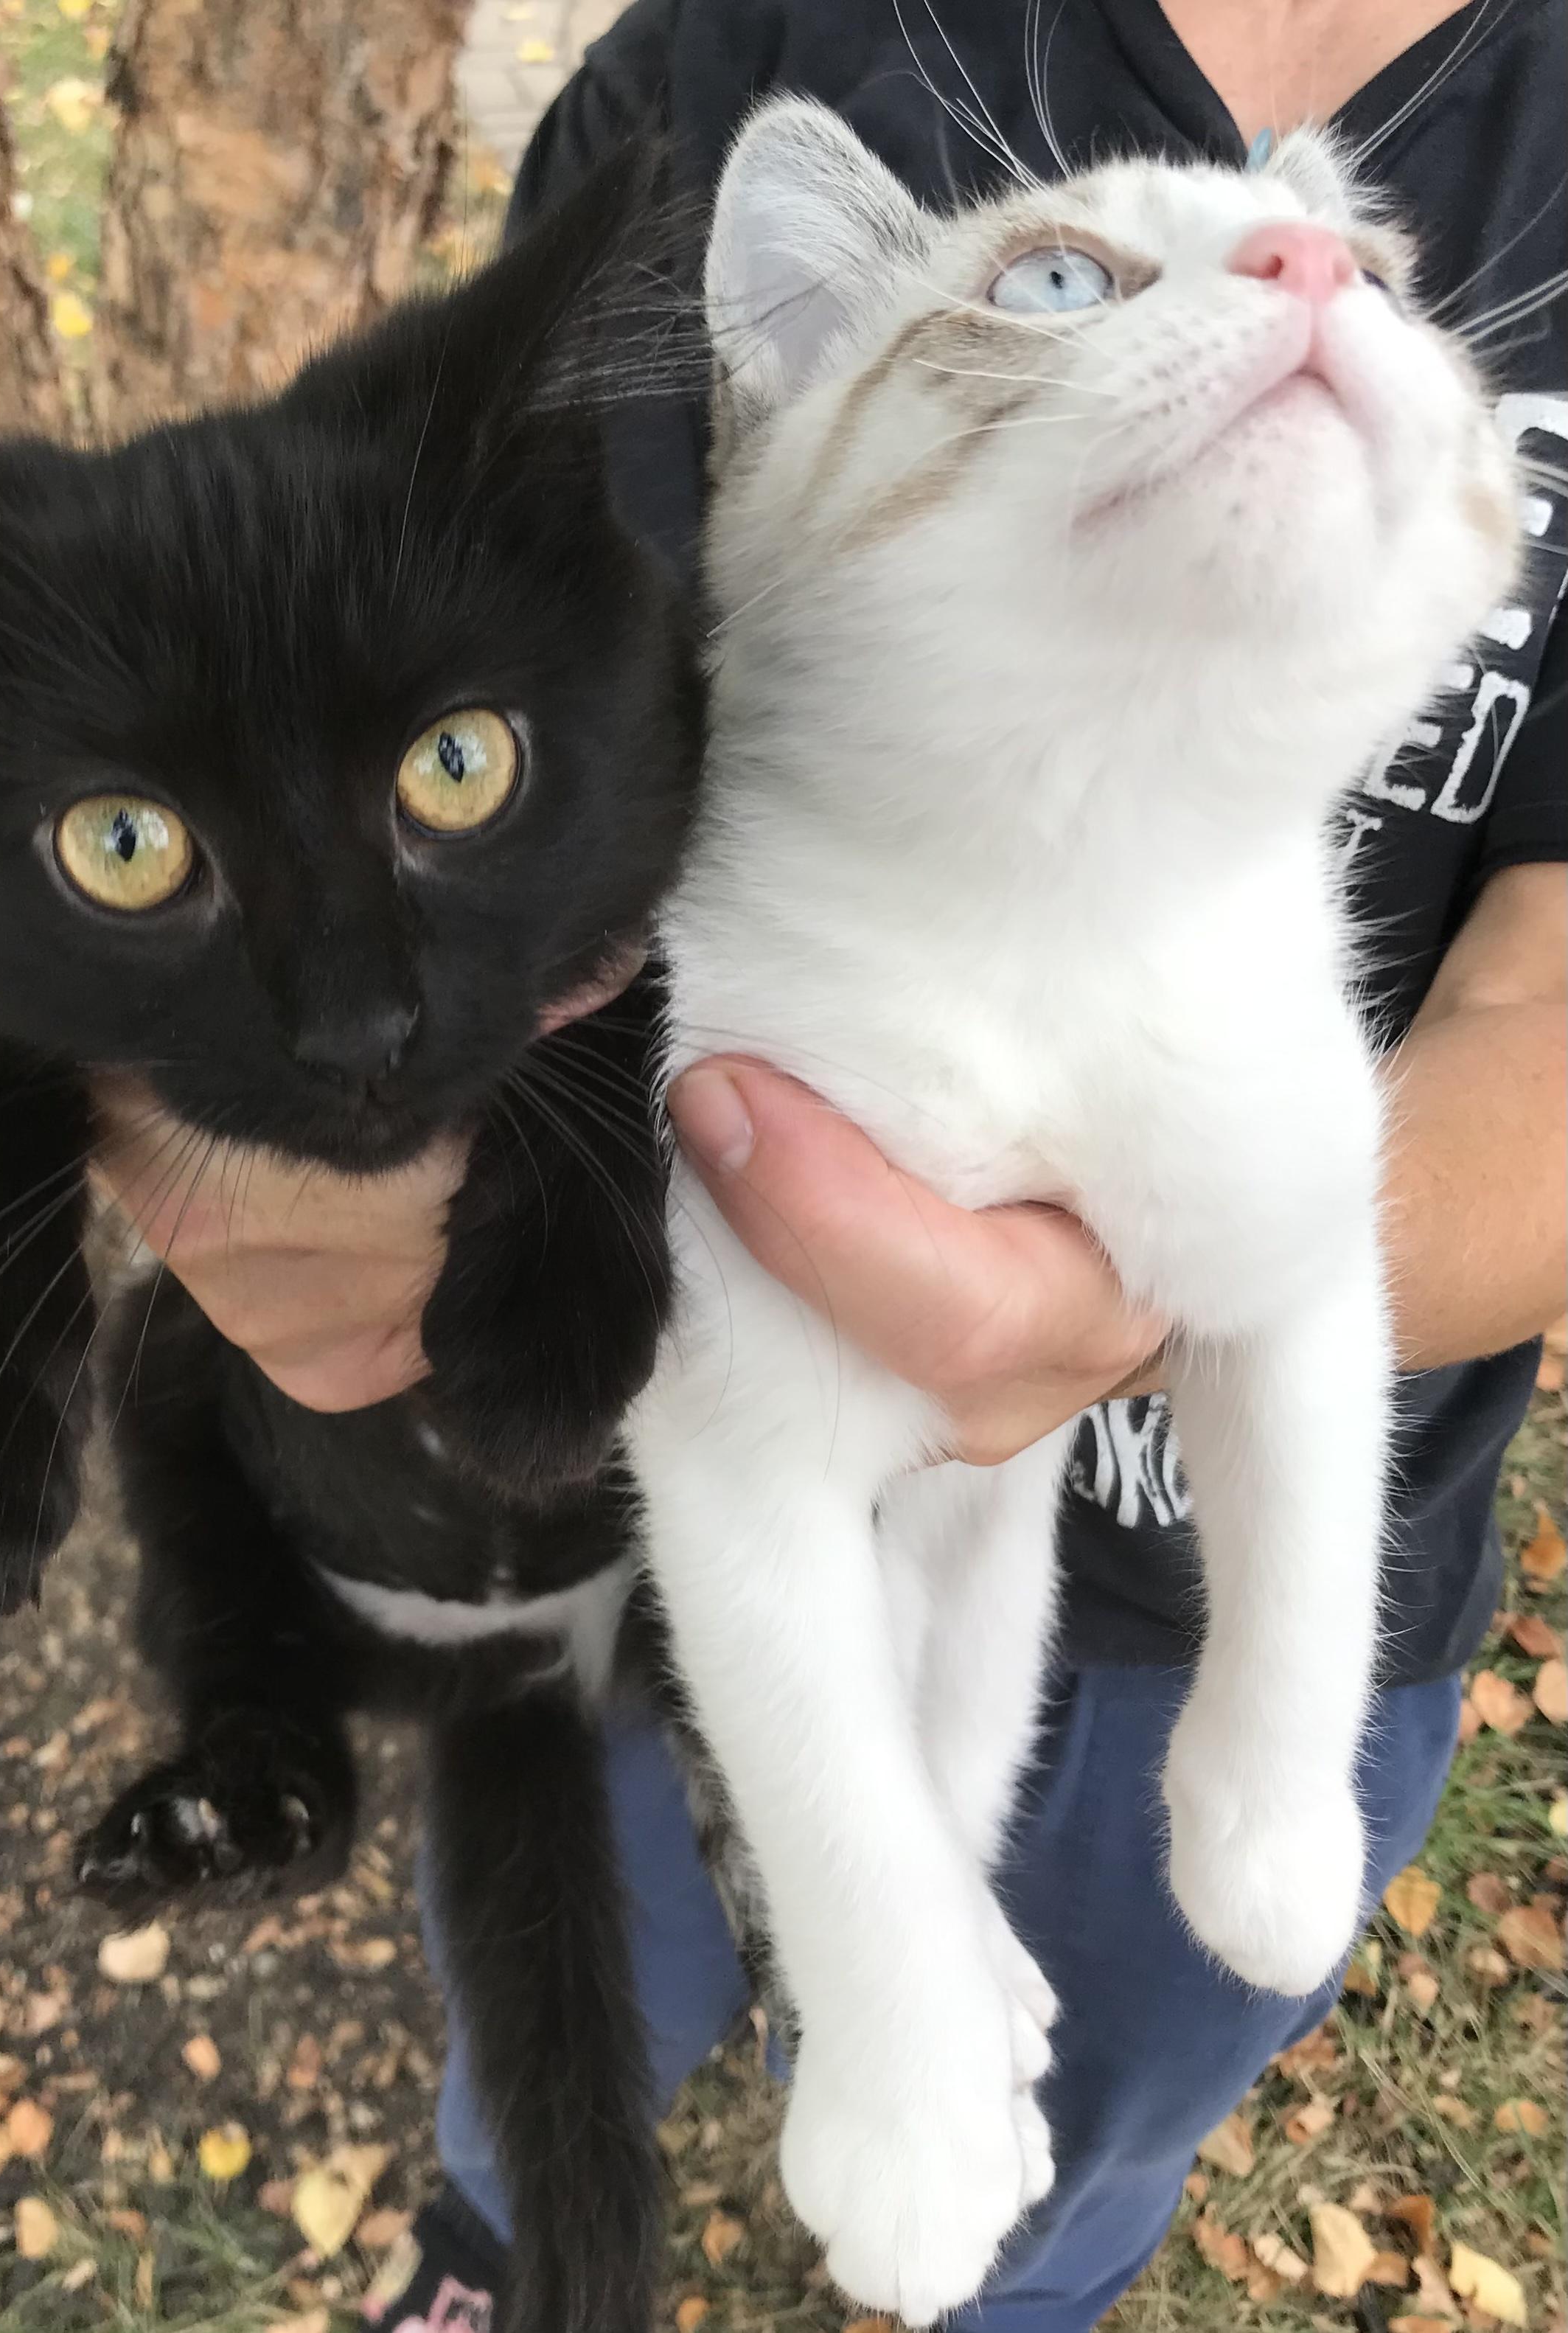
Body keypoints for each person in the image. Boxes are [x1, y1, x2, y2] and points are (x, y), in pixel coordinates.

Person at [97, 2, 1567, 2323]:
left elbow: (1415, 1158)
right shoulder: (748, 67)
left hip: (1210, 1593)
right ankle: (510, 2240)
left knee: (1075, 2142)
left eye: (1365, 275)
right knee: (582, 1969)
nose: (1299, 284)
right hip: (597, 1556)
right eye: (1070, 280)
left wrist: (1258, 1697)